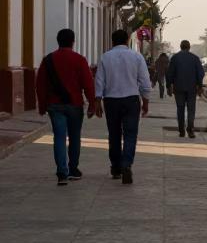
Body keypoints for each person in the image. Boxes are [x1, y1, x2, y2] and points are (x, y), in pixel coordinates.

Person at [36, 28, 96, 185]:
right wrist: (92, 104)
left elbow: (40, 85)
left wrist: (42, 106)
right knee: (75, 137)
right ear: (72, 42)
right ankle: (73, 169)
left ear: (58, 41)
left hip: (55, 106)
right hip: (75, 105)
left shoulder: (48, 60)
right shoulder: (80, 60)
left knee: (59, 137)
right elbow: (88, 84)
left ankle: (62, 173)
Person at [95, 29, 151, 184]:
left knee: (114, 134)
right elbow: (144, 82)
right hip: (131, 100)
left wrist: (97, 101)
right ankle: (127, 164)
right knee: (130, 134)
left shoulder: (105, 57)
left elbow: (100, 81)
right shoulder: (136, 56)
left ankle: (116, 167)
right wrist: (145, 103)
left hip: (111, 101)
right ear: (127, 41)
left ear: (112, 41)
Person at [166, 39, 205, 138]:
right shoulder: (195, 58)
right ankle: (190, 130)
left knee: (180, 108)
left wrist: (168, 86)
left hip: (178, 87)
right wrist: (199, 85)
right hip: (192, 88)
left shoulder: (175, 58)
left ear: (180, 47)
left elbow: (170, 73)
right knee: (191, 109)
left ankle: (181, 130)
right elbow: (200, 73)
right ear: (189, 47)